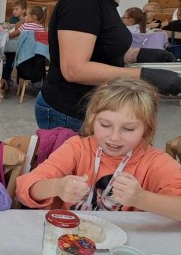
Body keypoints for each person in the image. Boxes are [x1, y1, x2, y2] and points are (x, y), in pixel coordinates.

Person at [34, 0, 181, 132]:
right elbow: (74, 69)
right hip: (68, 112)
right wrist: (143, 75)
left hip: (91, 108)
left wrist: (139, 54)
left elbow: (101, 50)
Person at [17, 78, 181, 222]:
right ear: (91, 121)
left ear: (147, 129)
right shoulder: (78, 148)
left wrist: (142, 199)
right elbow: (24, 188)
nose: (114, 137)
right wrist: (57, 187)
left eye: (129, 129)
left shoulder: (154, 162)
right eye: (105, 125)